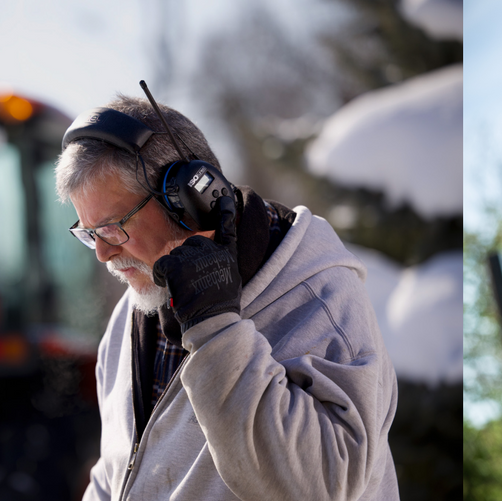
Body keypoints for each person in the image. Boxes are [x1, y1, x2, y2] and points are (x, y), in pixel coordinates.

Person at [58, 92, 399, 500]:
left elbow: (323, 485)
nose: (102, 252)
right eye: (89, 233)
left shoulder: (321, 299)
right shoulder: (132, 315)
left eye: (113, 227)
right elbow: (115, 473)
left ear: (190, 199)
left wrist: (216, 331)